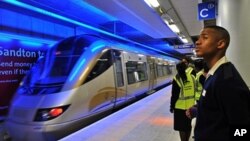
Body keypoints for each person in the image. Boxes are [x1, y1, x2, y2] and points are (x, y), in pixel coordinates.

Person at [187, 25, 250, 141]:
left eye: (204, 37)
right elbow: (217, 108)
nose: (197, 42)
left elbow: (242, 129)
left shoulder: (228, 81)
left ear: (220, 44)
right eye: (198, 38)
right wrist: (198, 109)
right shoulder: (216, 73)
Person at [170, 61, 196, 141]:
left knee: (181, 127)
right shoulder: (192, 77)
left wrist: (172, 106)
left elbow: (174, 95)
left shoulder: (176, 79)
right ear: (186, 68)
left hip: (179, 107)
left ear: (177, 69)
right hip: (190, 106)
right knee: (188, 125)